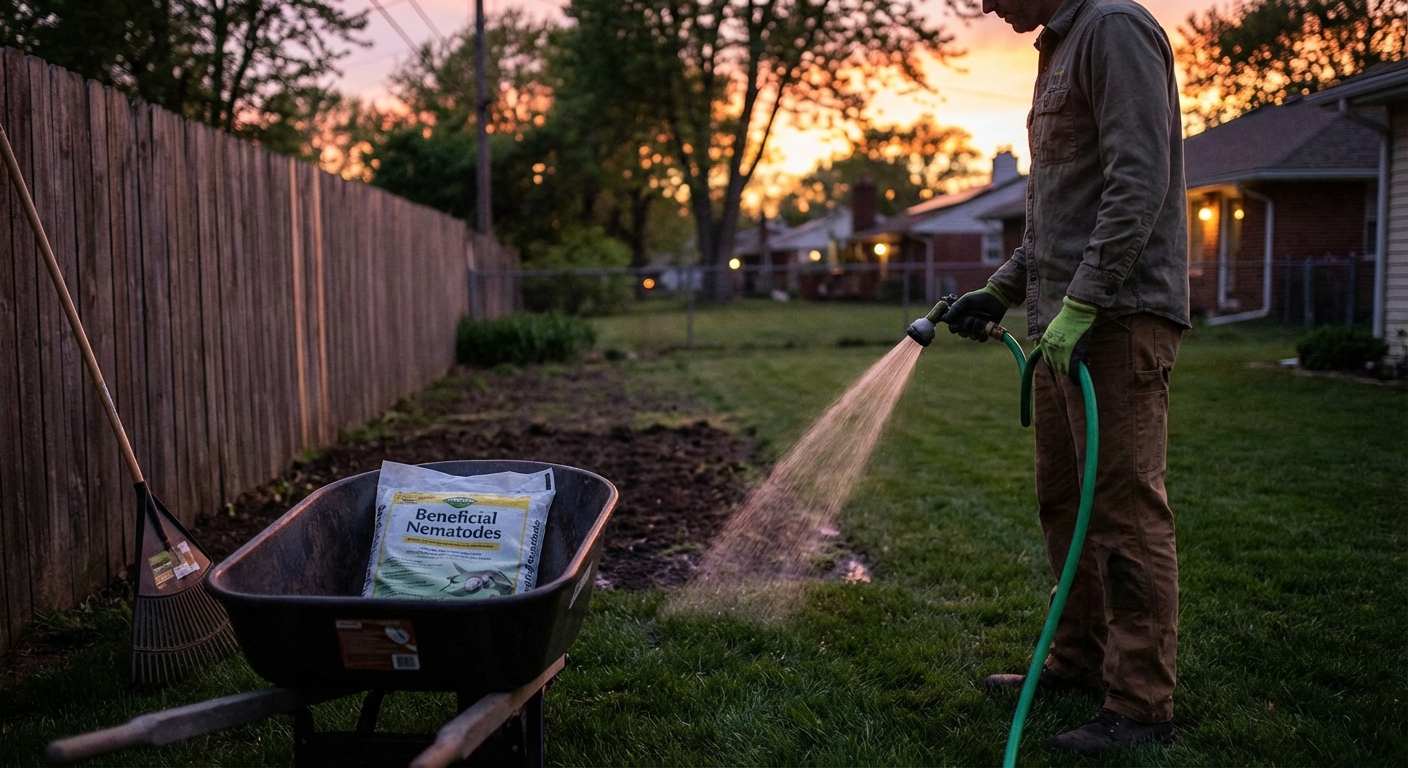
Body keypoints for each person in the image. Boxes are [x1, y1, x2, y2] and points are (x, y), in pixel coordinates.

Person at [942, 0, 1190, 755]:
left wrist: (1083, 302)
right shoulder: (1061, 46)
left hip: (1115, 319)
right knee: (1064, 502)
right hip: (1059, 323)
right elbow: (1058, 212)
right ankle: (1078, 660)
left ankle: (1142, 703)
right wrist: (1004, 288)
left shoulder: (1115, 30)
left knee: (1121, 512)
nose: (987, 4)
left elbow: (1136, 181)